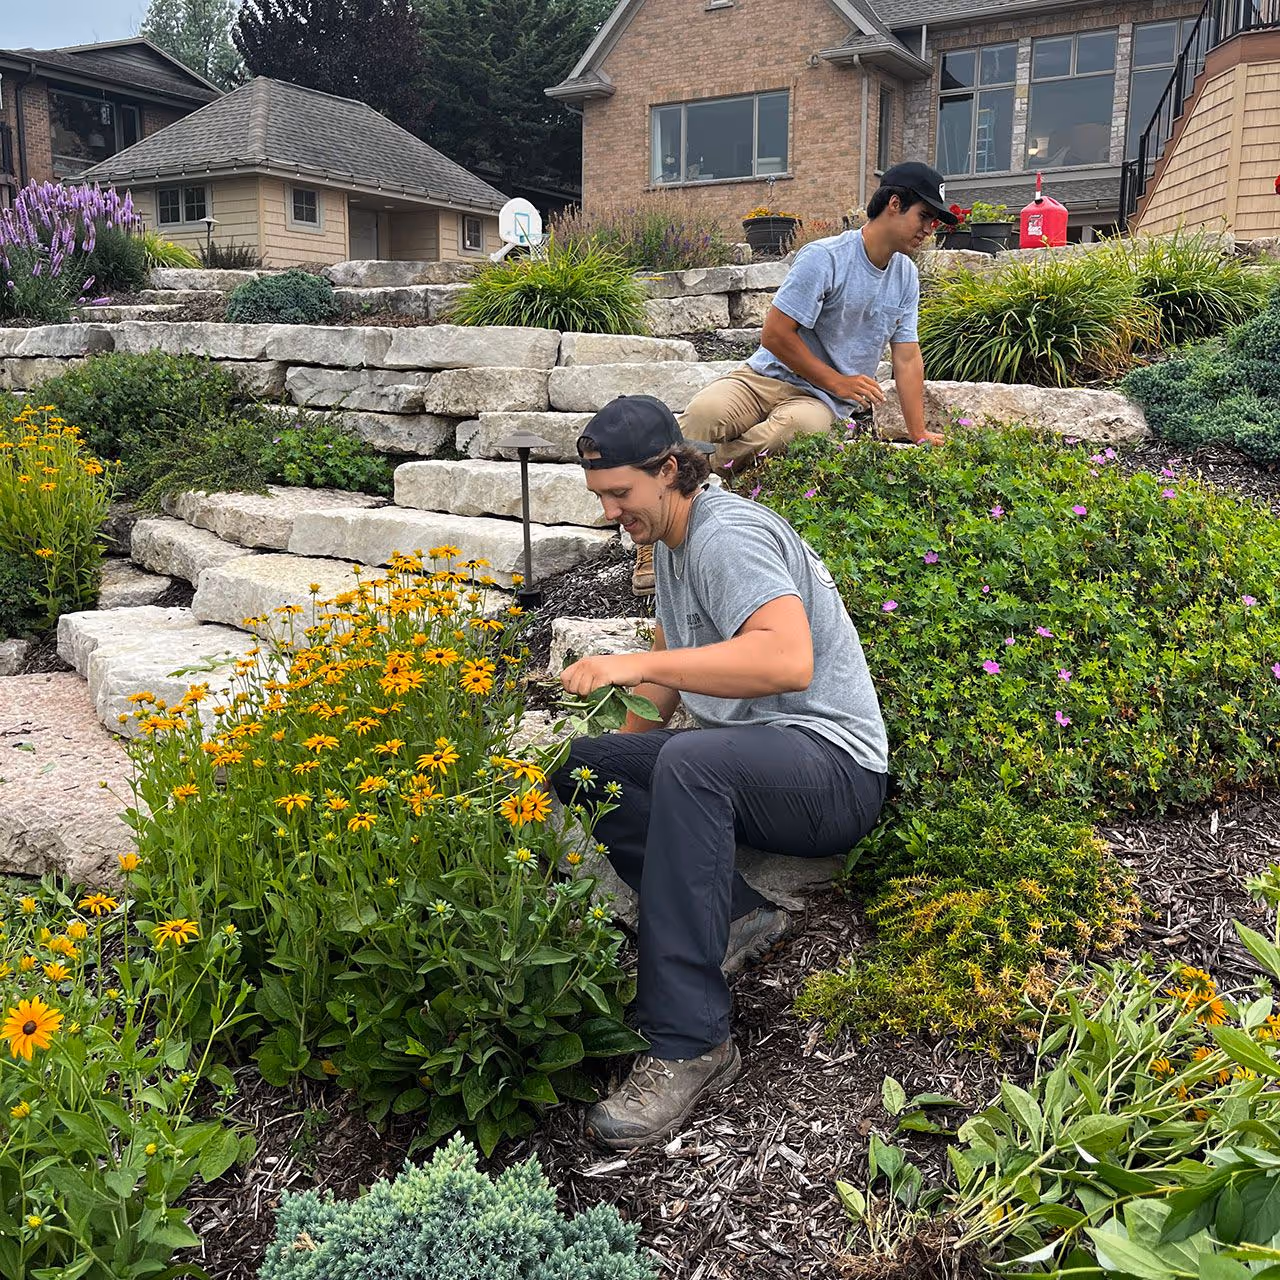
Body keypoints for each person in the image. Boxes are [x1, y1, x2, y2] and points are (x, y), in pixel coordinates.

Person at [553, 393, 889, 1149]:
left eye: (621, 495)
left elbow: (784, 657)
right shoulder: (673, 542)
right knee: (584, 764)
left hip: (831, 770)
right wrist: (627, 755)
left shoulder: (725, 535)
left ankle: (690, 1041)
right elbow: (675, 676)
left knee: (693, 762)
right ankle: (737, 916)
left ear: (670, 470)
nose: (611, 513)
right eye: (600, 498)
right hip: (758, 767)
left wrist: (631, 661)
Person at [631, 161, 957, 596]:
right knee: (701, 415)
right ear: (894, 204)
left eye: (935, 222)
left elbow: (909, 357)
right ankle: (651, 541)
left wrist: (917, 432)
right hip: (766, 375)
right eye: (925, 216)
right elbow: (775, 334)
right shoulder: (825, 258)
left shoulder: (905, 277)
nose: (929, 229)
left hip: (820, 402)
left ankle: (694, 473)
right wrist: (840, 381)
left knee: (799, 429)